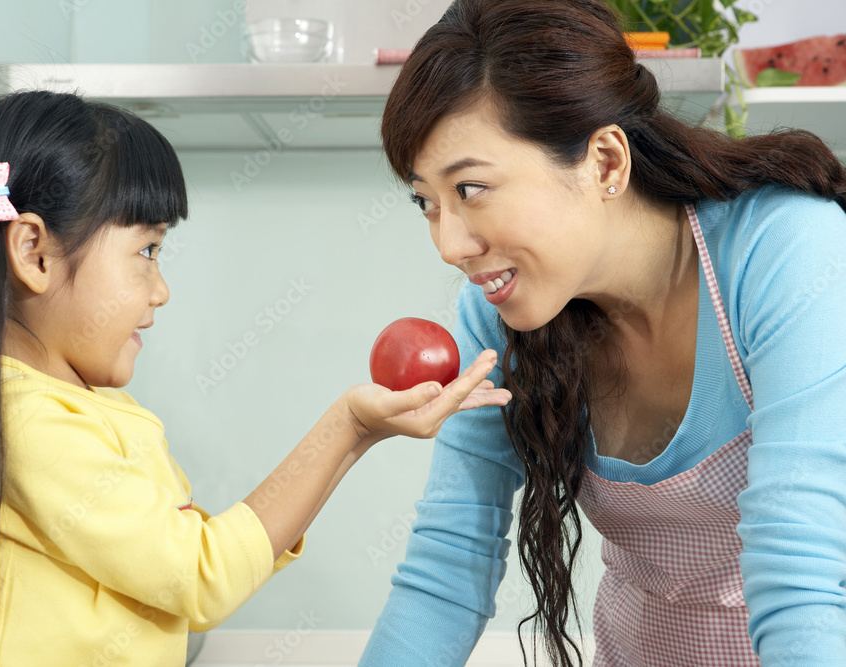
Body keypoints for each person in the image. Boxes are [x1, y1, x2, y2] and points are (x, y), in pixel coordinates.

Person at [0, 90, 511, 666]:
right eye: (146, 251)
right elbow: (201, 576)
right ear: (35, 253)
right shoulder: (33, 425)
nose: (162, 290)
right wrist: (350, 426)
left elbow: (183, 571)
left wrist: (357, 430)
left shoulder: (49, 412)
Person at [358, 1, 846, 665]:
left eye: (469, 189)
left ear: (606, 162)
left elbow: (801, 578)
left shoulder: (784, 249)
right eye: (427, 202)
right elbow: (448, 566)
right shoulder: (499, 315)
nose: (448, 243)